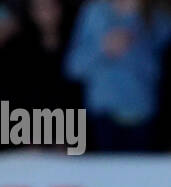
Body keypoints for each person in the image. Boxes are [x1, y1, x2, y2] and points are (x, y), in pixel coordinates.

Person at [63, 0, 171, 151]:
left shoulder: (156, 16)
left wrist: (133, 24)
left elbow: (157, 72)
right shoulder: (94, 12)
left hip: (143, 114)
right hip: (102, 117)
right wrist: (103, 48)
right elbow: (73, 68)